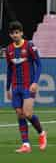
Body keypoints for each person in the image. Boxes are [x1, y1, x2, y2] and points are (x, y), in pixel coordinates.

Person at [5, 21, 47, 154]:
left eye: (17, 32)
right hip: (16, 87)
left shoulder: (29, 46)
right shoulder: (8, 50)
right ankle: (26, 144)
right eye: (13, 33)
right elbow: (10, 69)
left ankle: (41, 133)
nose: (15, 35)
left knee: (28, 113)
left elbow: (39, 65)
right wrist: (7, 88)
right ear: (10, 35)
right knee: (20, 114)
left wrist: (35, 82)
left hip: (28, 85)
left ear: (21, 33)